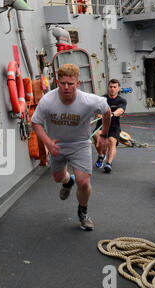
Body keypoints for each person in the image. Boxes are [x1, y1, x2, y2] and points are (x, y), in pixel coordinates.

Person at [31, 64, 111, 231]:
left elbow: (107, 111)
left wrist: (103, 135)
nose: (66, 87)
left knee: (83, 182)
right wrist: (47, 143)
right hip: (57, 146)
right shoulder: (48, 100)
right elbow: (36, 122)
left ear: (78, 83)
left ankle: (83, 212)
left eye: (70, 83)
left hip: (80, 145)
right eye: (62, 83)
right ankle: (68, 182)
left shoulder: (88, 100)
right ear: (57, 83)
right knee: (58, 178)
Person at [93, 79, 127, 173]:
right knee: (96, 136)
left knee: (112, 141)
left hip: (114, 126)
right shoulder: (102, 99)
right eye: (111, 87)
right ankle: (101, 156)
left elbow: (120, 110)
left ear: (118, 88)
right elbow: (97, 110)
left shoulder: (122, 100)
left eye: (114, 87)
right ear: (108, 87)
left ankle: (109, 163)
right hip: (102, 125)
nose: (112, 89)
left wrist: (111, 114)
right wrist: (98, 114)